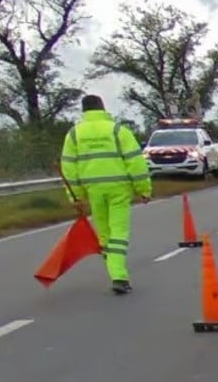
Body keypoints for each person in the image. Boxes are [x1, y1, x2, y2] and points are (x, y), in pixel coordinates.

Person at [60, 94, 153, 294]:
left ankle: (116, 274)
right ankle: (119, 276)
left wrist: (75, 197)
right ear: (103, 108)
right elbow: (135, 162)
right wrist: (143, 189)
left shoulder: (74, 134)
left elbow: (69, 167)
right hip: (119, 188)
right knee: (118, 232)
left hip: (93, 189)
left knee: (104, 235)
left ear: (83, 111)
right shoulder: (118, 130)